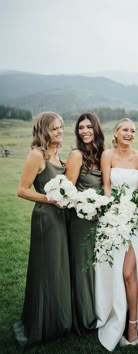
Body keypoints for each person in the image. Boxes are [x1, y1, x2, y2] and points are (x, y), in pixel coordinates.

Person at [13, 112, 72, 347]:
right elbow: (22, 190)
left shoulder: (57, 155)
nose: (60, 131)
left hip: (60, 218)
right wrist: (51, 199)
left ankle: (57, 319)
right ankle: (41, 323)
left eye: (61, 127)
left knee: (57, 269)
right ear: (44, 131)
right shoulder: (37, 155)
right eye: (55, 128)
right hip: (45, 219)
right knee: (46, 269)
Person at [95, 118, 138, 351]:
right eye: (125, 130)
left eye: (133, 131)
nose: (129, 134)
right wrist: (111, 214)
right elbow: (107, 187)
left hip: (137, 222)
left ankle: (132, 326)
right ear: (115, 132)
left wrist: (133, 214)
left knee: (129, 273)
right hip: (112, 220)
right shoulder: (107, 155)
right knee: (112, 271)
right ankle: (111, 314)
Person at [66, 112, 104, 334]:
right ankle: (84, 317)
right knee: (84, 269)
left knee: (97, 268)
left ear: (96, 128)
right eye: (81, 128)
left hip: (101, 221)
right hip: (81, 221)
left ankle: (98, 309)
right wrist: (87, 207)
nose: (85, 131)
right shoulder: (76, 155)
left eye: (89, 127)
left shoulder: (101, 155)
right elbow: (68, 193)